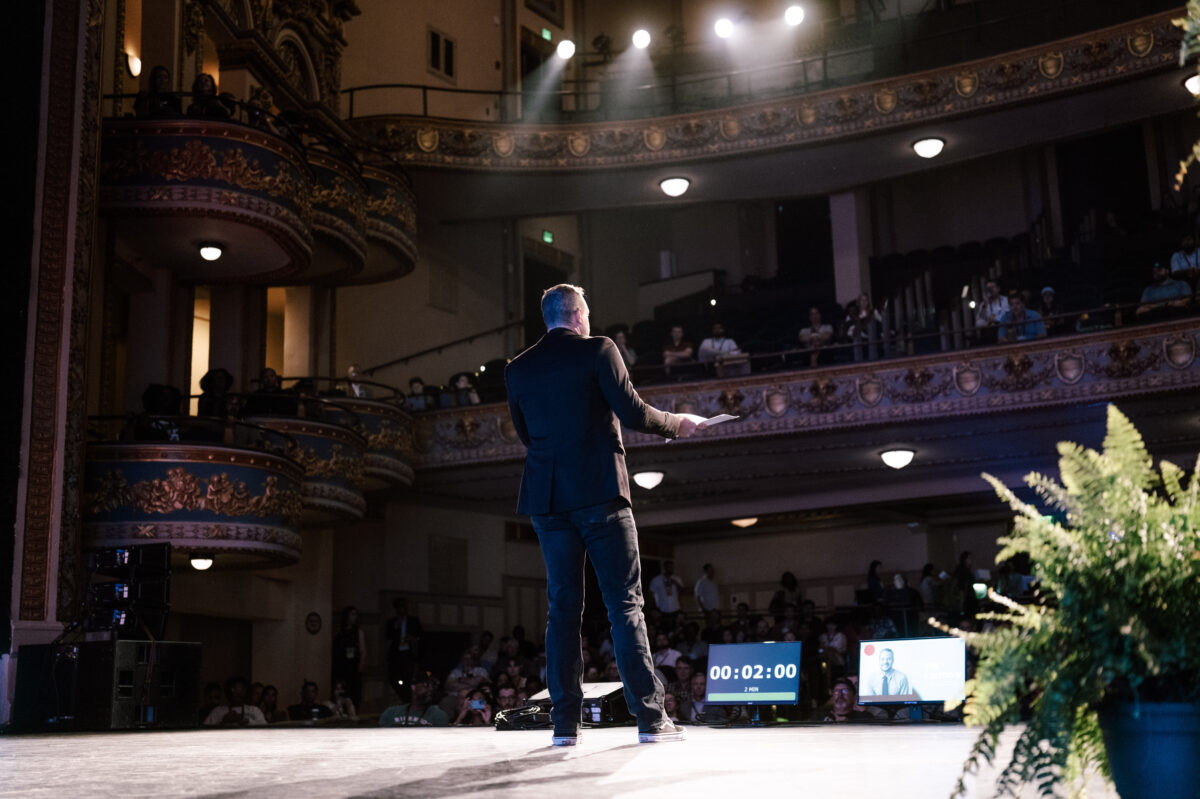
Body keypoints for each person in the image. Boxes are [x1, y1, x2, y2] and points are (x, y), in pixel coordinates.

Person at [504, 283, 705, 746]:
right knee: (624, 606)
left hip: (547, 500)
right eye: (587, 313)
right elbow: (632, 412)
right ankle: (652, 721)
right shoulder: (599, 350)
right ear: (577, 315)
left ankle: (563, 727)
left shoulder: (518, 369)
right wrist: (678, 424)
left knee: (562, 610)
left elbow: (525, 435)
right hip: (598, 494)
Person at [379, 672, 450, 727]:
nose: (431, 689)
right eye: (426, 685)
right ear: (413, 687)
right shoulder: (391, 712)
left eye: (433, 686)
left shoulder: (439, 715)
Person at [385, 597, 421, 701]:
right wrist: (396, 626)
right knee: (394, 678)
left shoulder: (413, 621)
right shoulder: (392, 622)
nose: (403, 609)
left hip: (408, 654)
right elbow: (388, 636)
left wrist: (412, 639)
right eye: (400, 607)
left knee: (408, 678)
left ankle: (407, 699)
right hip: (396, 654)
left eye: (404, 606)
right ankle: (402, 696)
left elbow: (419, 636)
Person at [332, 605, 366, 708]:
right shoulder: (339, 633)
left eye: (356, 614)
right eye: (352, 614)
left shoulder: (358, 632)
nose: (354, 617)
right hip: (342, 665)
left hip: (354, 666)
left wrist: (360, 666)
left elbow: (362, 651)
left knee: (354, 692)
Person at [648, 560, 683, 627]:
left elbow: (683, 591)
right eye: (669, 567)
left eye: (672, 567)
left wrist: (676, 583)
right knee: (663, 627)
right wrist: (652, 608)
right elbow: (650, 593)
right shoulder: (656, 580)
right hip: (662, 609)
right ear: (665, 568)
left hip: (675, 608)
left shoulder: (677, 579)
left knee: (676, 627)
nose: (671, 569)